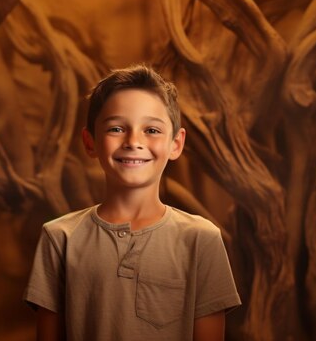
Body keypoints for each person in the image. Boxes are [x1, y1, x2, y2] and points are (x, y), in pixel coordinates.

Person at [24, 64, 241, 341]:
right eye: (116, 128)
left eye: (151, 130)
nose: (133, 141)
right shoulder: (59, 238)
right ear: (90, 142)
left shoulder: (201, 239)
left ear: (176, 143)